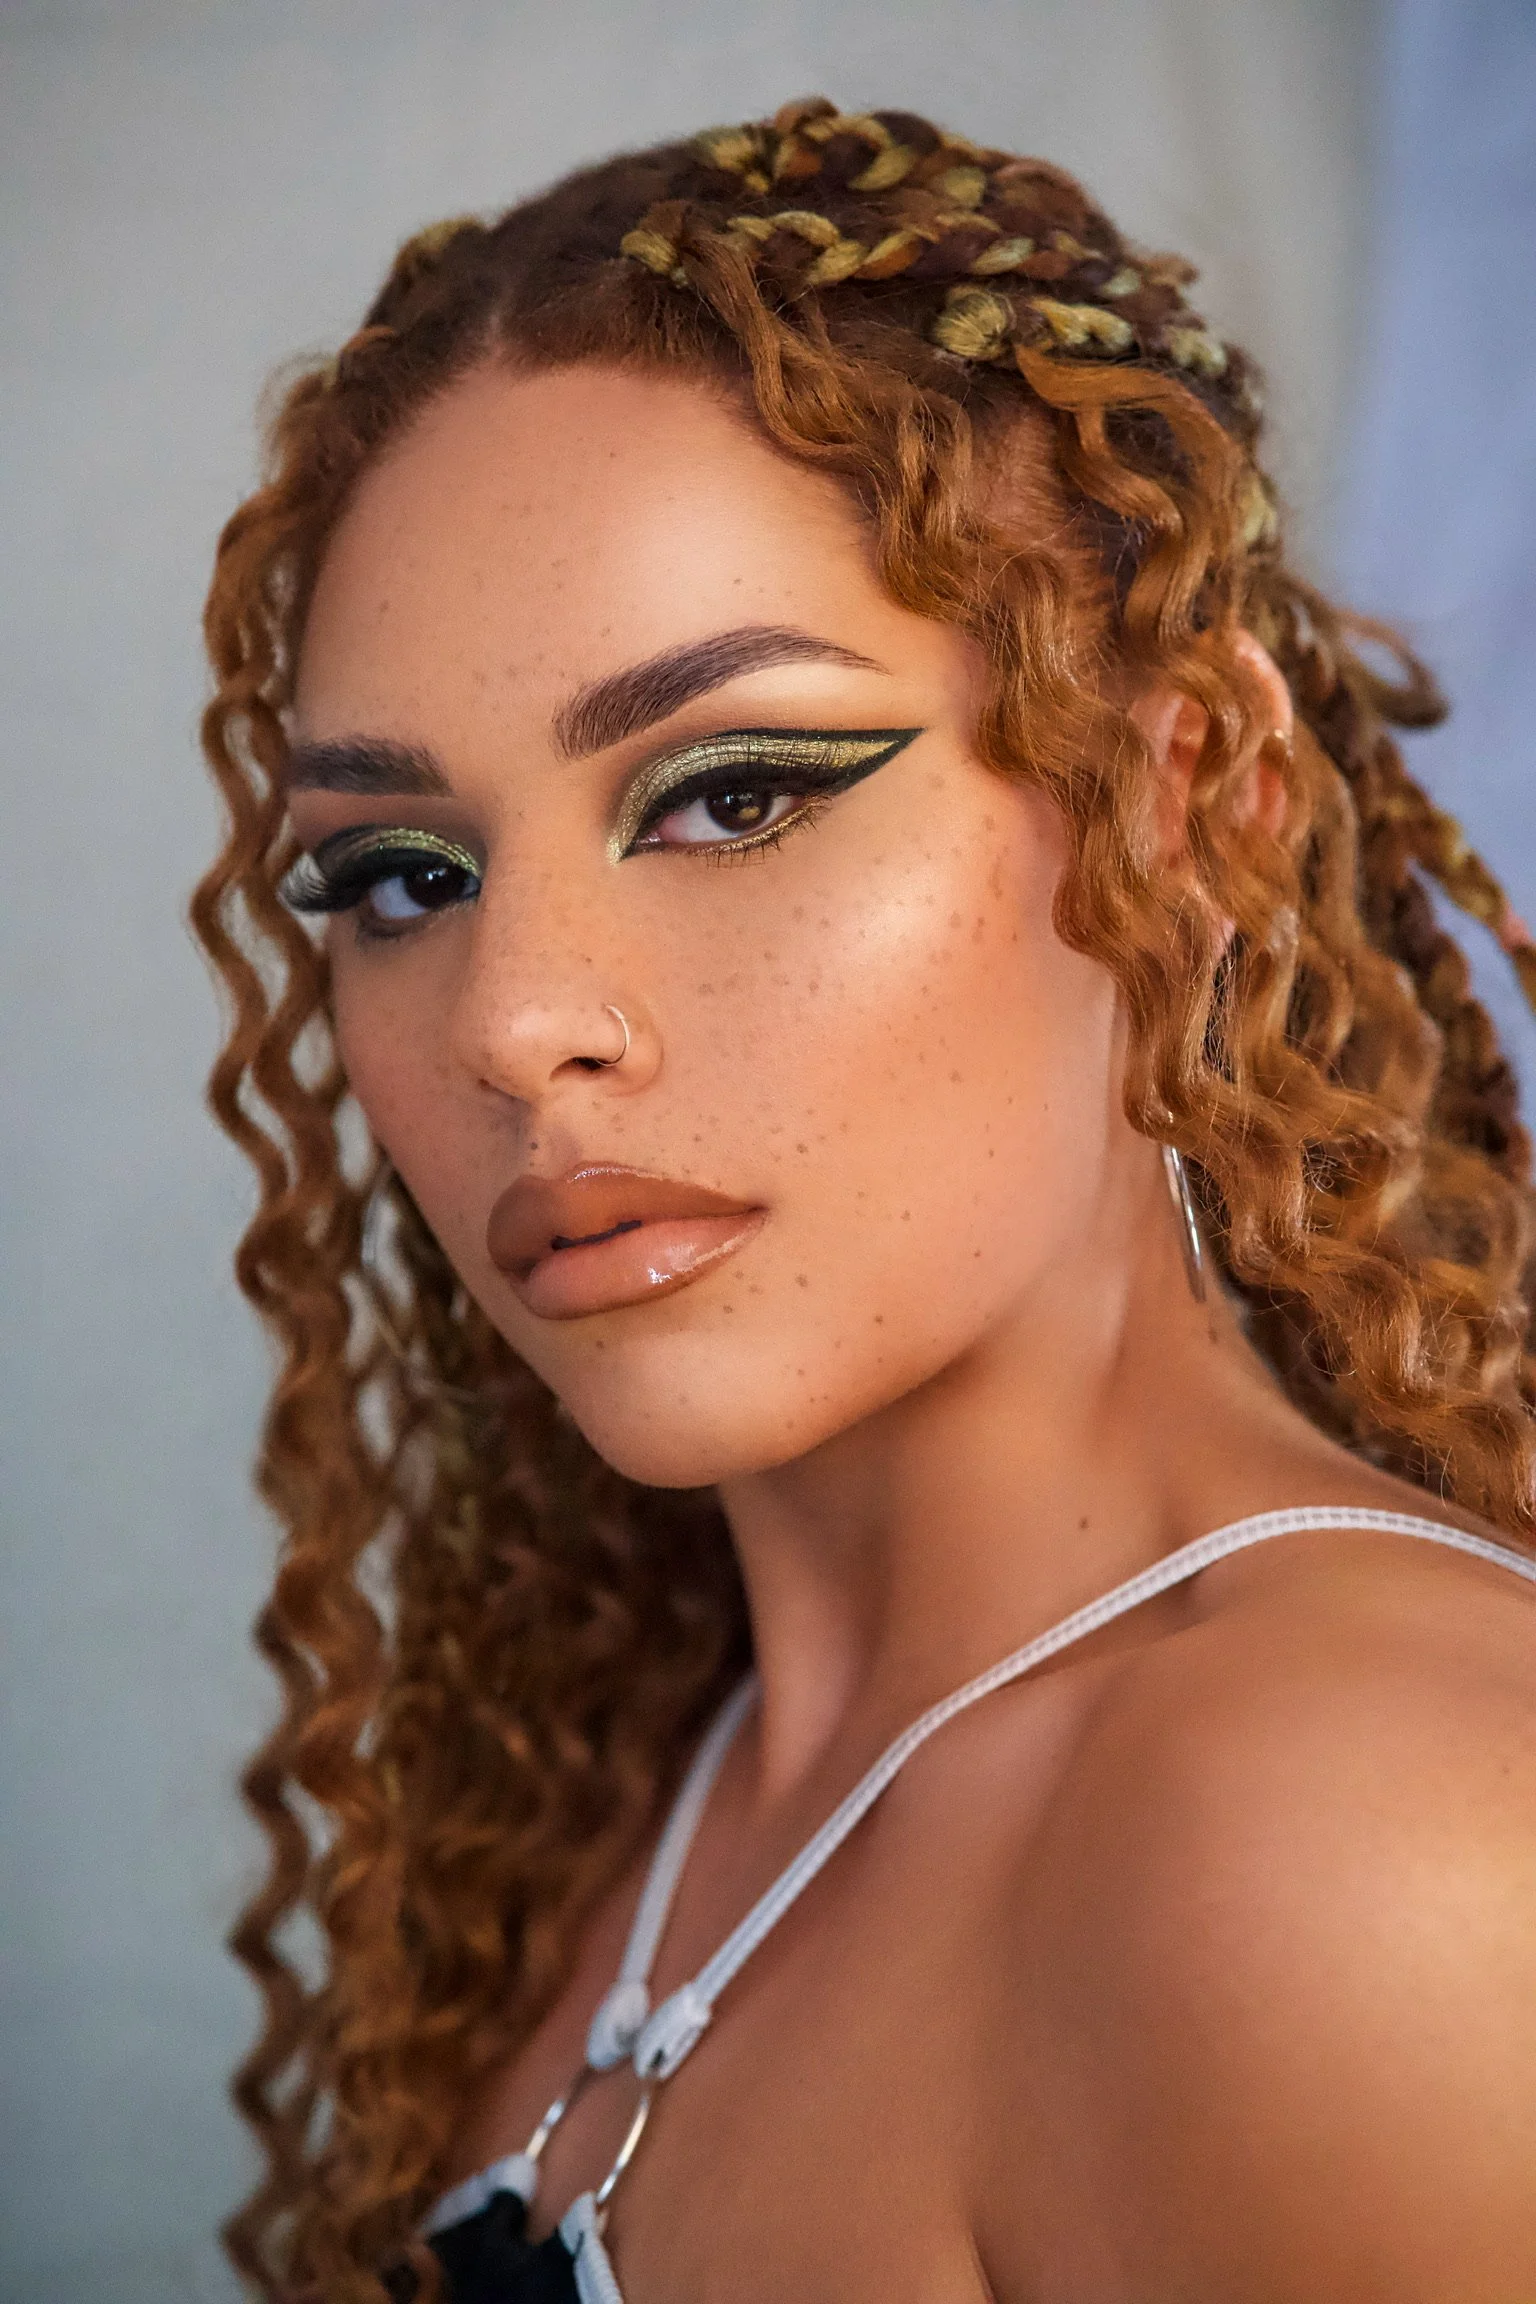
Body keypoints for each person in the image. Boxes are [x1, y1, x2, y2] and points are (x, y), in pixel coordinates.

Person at [195, 99, 1536, 2304]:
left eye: (732, 796)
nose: (516, 1023)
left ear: (1191, 802)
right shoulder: (641, 1791)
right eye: (402, 879)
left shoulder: (1353, 1840)